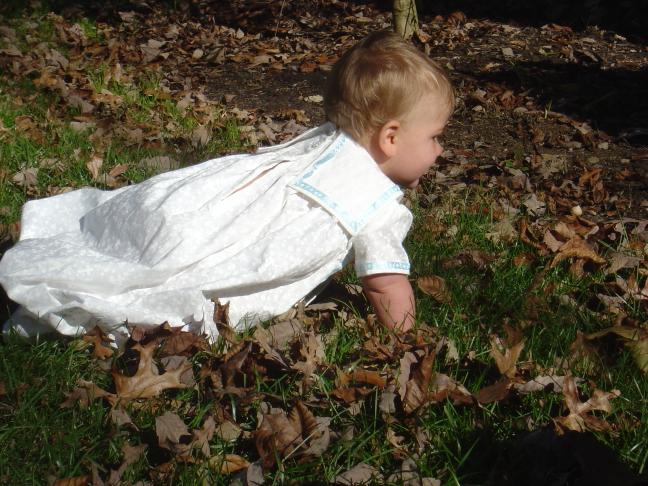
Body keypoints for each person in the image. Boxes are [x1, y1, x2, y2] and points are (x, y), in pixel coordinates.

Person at [0, 30, 454, 342]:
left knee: (168, 234)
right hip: (239, 243)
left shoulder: (329, 140)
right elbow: (385, 284)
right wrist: (407, 341)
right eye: (435, 136)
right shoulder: (376, 203)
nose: (440, 149)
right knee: (183, 278)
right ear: (390, 138)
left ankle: (80, 254)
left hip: (216, 206)